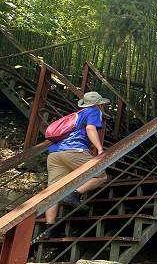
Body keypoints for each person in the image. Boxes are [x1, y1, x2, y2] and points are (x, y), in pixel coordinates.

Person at [45, 91, 111, 225]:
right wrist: (99, 148)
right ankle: (74, 194)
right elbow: (90, 128)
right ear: (99, 104)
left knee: (53, 190)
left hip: (54, 154)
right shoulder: (94, 111)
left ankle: (49, 226)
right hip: (74, 150)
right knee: (100, 176)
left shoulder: (77, 115)